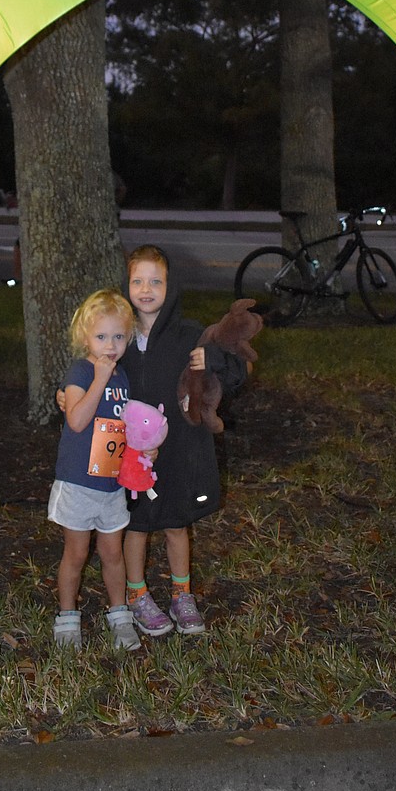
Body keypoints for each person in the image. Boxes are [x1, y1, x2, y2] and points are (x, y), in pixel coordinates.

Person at [121, 246, 247, 637]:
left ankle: (181, 593)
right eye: (137, 281)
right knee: (137, 524)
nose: (146, 289)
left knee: (176, 523)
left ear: (169, 287)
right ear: (126, 286)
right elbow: (88, 368)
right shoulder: (118, 334)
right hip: (133, 453)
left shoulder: (189, 335)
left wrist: (211, 363)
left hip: (177, 448)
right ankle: (136, 593)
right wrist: (65, 392)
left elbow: (233, 372)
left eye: (155, 281)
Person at [47, 289, 140, 652]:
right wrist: (99, 378)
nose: (110, 345)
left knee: (113, 553)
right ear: (85, 337)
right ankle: (68, 617)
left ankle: (120, 615)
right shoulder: (81, 372)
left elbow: (122, 426)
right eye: (101, 336)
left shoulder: (123, 378)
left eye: (119, 336)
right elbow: (77, 420)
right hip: (78, 483)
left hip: (111, 485)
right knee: (76, 553)